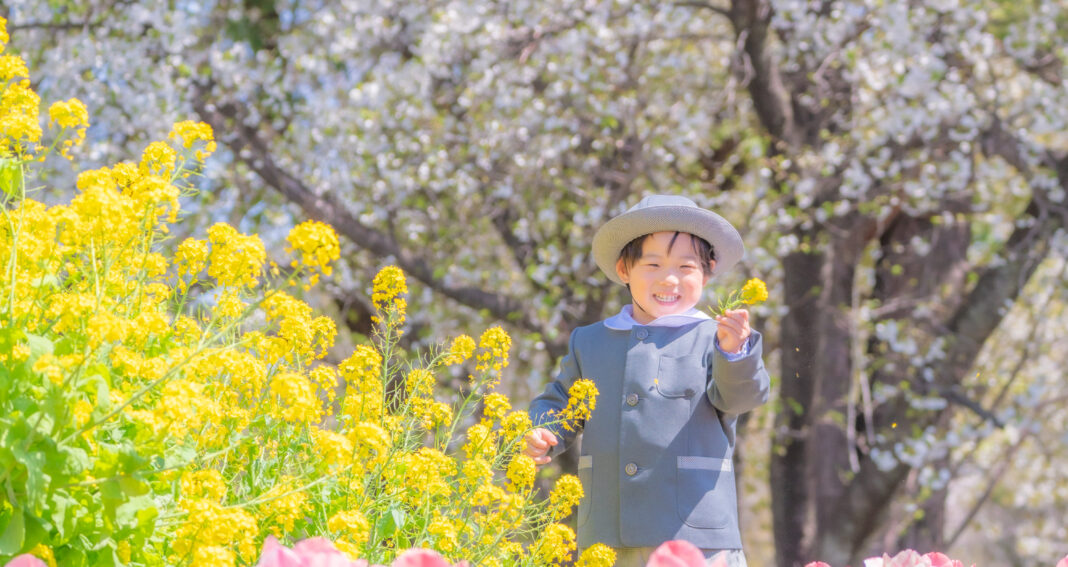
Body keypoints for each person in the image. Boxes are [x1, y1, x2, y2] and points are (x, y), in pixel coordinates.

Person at [526, 194, 769, 567]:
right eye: (652, 264)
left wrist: (735, 352)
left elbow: (739, 399)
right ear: (624, 269)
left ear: (709, 270)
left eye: (686, 267)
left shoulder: (715, 339)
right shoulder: (590, 341)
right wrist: (544, 432)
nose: (669, 279)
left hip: (696, 537)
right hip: (608, 536)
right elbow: (561, 402)